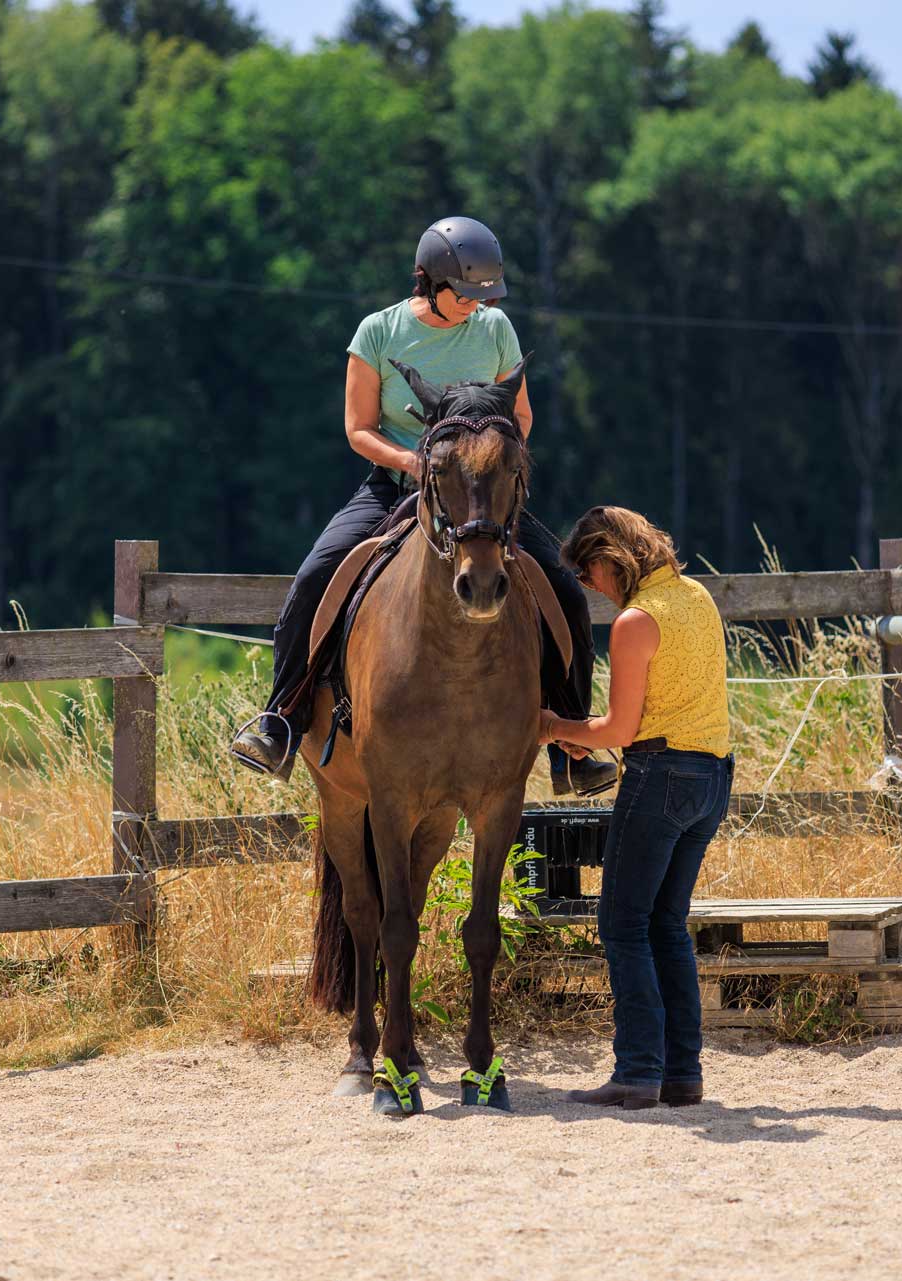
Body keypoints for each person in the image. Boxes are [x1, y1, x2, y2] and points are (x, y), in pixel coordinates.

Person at [229, 216, 616, 798]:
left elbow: (523, 415)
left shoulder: (495, 330)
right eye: (464, 294)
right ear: (429, 283)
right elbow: (358, 429)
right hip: (397, 487)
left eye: (483, 296)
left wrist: (489, 463)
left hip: (480, 496)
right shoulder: (378, 333)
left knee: (563, 588)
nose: (473, 306)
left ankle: (574, 748)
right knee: (314, 574)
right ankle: (280, 718)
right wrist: (415, 465)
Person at [543, 506, 733, 1110]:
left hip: (659, 777)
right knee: (666, 926)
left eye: (587, 573)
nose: (589, 587)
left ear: (608, 559)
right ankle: (682, 1074)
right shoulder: (697, 595)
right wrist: (585, 734)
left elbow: (621, 727)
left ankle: (637, 1072)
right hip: (712, 776)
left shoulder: (635, 621)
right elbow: (644, 716)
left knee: (622, 924)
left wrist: (552, 726)